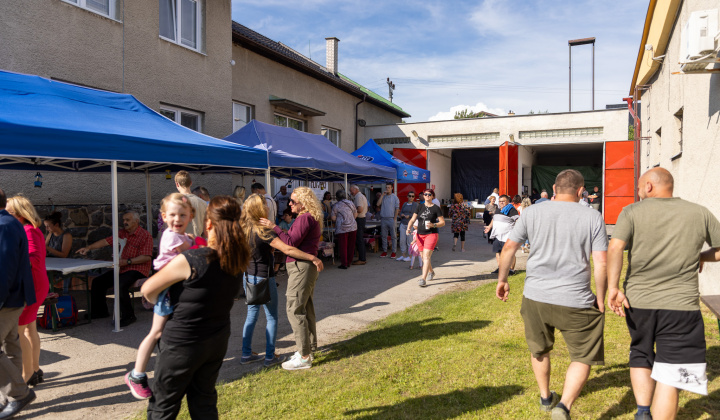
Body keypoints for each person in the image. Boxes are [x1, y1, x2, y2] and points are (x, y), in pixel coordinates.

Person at [607, 168, 720, 420]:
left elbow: (615, 247)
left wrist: (613, 288)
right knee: (671, 374)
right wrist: (701, 255)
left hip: (639, 302)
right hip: (681, 306)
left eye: (638, 187)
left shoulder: (631, 212)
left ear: (648, 186)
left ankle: (643, 411)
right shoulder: (698, 212)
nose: (638, 192)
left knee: (640, 352)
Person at [495, 169, 608, 420]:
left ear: (554, 190)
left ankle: (546, 397)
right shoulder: (593, 216)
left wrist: (502, 280)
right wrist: (601, 297)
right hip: (577, 299)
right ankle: (564, 406)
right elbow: (600, 262)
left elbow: (509, 248)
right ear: (581, 192)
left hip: (536, 296)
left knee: (539, 350)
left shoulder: (532, 212)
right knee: (582, 356)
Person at [143, 196, 249, 419]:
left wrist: (159, 302)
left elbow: (147, 289)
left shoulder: (191, 259)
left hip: (182, 343)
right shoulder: (237, 259)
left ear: (208, 224)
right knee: (204, 402)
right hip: (216, 341)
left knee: (163, 407)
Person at [125, 194, 197, 400]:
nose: (177, 219)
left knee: (171, 333)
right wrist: (196, 241)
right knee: (156, 332)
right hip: (166, 287)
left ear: (190, 216)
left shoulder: (181, 236)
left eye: (182, 215)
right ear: (164, 217)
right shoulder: (172, 236)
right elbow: (190, 253)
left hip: (176, 287)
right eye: (173, 215)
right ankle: (136, 374)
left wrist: (192, 239)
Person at [240, 194, 323, 368]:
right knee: (272, 317)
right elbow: (287, 248)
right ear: (259, 209)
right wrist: (312, 258)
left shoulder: (243, 228)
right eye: (265, 205)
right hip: (264, 277)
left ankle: (246, 353)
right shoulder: (264, 231)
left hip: (248, 276)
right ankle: (270, 357)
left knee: (251, 315)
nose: (268, 207)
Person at [77, 210, 153, 327]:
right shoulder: (122, 233)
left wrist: (127, 261)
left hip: (138, 269)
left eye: (127, 220)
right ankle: (100, 311)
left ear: (136, 221)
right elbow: (106, 241)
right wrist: (89, 248)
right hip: (122, 268)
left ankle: (129, 315)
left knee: (120, 284)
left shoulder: (145, 235)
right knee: (98, 282)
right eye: (123, 220)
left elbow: (146, 257)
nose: (124, 222)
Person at [0, 188, 36, 418]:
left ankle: (20, 394)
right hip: (12, 297)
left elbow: (5, 269)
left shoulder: (4, 225)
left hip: (7, 298)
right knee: (11, 345)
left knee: (10, 344)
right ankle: (10, 396)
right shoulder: (7, 223)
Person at [6, 196, 49, 387]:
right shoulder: (33, 229)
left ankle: (27, 374)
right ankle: (35, 369)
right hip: (36, 283)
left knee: (17, 332)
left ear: (19, 214)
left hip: (31, 285)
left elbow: (33, 259)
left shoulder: (28, 230)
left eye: (8, 212)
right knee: (30, 328)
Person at [405, 189, 445, 287]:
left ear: (432, 196)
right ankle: (431, 272)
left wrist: (434, 225)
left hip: (431, 234)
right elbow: (413, 219)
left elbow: (442, 222)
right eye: (425, 194)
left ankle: (423, 279)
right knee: (423, 257)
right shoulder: (419, 207)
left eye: (429, 194)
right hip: (419, 235)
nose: (427, 195)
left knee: (426, 256)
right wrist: (408, 228)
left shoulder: (436, 208)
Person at [484, 195, 519, 275]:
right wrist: (489, 227)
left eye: (503, 201)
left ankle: (511, 270)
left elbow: (518, 220)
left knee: (510, 253)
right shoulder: (498, 210)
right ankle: (500, 268)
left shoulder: (512, 210)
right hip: (497, 235)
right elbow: (494, 219)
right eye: (500, 201)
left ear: (507, 201)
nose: (501, 203)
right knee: (498, 252)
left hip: (508, 236)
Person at [44, 211, 73, 293]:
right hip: (52, 262)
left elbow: (64, 255)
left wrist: (48, 248)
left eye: (48, 226)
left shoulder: (66, 236)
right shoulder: (50, 234)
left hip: (63, 263)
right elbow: (45, 248)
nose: (46, 229)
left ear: (56, 225)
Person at [175, 170, 207, 239]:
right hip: (197, 243)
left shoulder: (174, 202)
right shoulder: (203, 203)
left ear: (177, 184)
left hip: (180, 243)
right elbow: (206, 229)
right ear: (191, 183)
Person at [331, 190, 358, 269]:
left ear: (337, 197)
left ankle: (344, 263)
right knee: (351, 245)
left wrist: (339, 220)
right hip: (353, 227)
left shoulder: (336, 205)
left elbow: (333, 218)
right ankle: (349, 261)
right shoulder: (350, 203)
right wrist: (350, 220)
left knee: (343, 246)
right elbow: (355, 213)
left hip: (342, 228)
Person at [378, 183, 400, 258]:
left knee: (393, 236)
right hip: (383, 218)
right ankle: (385, 251)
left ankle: (394, 252)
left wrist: (394, 218)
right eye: (386, 187)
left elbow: (397, 208)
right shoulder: (383, 196)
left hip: (391, 218)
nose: (387, 189)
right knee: (384, 236)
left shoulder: (395, 197)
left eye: (389, 187)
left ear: (392, 188)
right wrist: (382, 195)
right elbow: (378, 204)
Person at [349, 185, 368, 266]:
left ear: (355, 190)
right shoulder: (361, 196)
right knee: (360, 239)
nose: (350, 192)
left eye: (351, 191)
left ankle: (362, 259)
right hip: (362, 219)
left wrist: (352, 213)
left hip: (359, 219)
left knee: (359, 240)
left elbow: (359, 209)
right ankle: (362, 258)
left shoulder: (358, 197)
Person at [397, 190, 418, 262]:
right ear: (407, 196)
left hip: (410, 224)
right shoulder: (404, 204)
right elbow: (401, 212)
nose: (411, 197)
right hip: (403, 223)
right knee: (402, 240)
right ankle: (403, 255)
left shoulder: (415, 205)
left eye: (412, 196)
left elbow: (417, 214)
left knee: (410, 241)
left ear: (414, 197)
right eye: (410, 196)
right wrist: (402, 214)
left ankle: (410, 255)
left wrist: (409, 216)